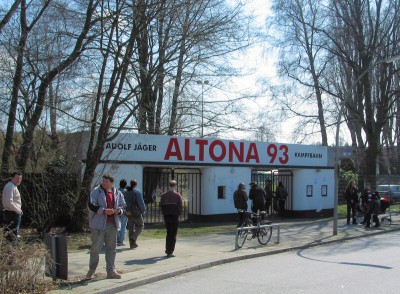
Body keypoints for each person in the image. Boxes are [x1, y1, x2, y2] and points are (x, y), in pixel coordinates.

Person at [86, 173, 126, 280]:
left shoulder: (118, 193)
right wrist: (104, 211)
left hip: (112, 224)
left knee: (111, 249)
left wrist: (119, 211)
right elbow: (91, 205)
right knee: (95, 248)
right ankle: (91, 270)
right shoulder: (95, 191)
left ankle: (111, 271)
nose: (104, 183)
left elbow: (124, 206)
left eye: (106, 181)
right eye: (103, 181)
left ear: (112, 183)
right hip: (98, 225)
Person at [160, 180, 183, 258]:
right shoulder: (177, 195)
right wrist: (178, 213)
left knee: (168, 233)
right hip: (174, 216)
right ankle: (170, 251)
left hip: (167, 216)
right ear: (175, 186)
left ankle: (167, 249)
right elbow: (180, 206)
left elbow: (161, 205)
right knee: (173, 234)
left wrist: (164, 213)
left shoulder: (164, 195)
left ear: (169, 186)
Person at [2, 171, 23, 245]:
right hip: (12, 213)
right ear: (12, 178)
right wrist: (18, 210)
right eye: (17, 178)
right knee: (12, 237)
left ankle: (9, 253)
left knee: (10, 235)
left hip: (11, 213)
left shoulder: (12, 186)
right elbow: (9, 202)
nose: (19, 180)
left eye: (20, 178)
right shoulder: (10, 186)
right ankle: (12, 254)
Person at [124, 179, 146, 249]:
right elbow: (140, 202)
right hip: (136, 212)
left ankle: (132, 244)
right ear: (136, 184)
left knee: (130, 228)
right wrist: (143, 210)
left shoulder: (126, 192)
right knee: (141, 225)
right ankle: (133, 237)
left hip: (128, 211)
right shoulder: (137, 192)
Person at [117, 179, 128, 246]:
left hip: (117, 210)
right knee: (123, 225)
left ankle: (117, 238)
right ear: (125, 185)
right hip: (125, 210)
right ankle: (121, 240)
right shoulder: (127, 192)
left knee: (117, 224)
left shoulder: (116, 191)